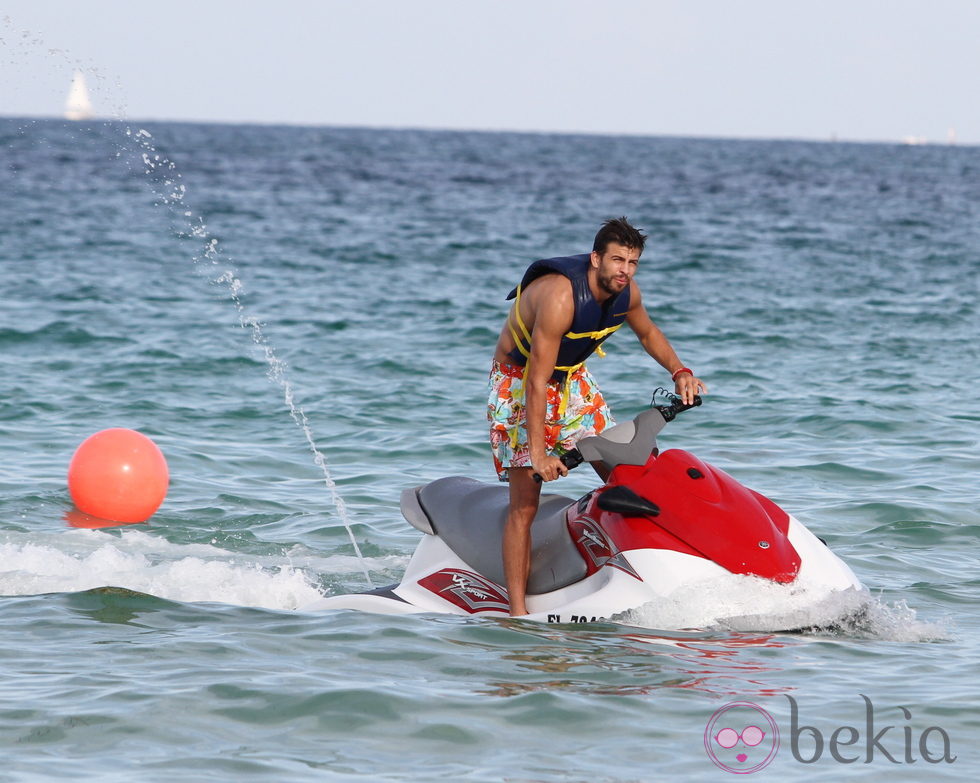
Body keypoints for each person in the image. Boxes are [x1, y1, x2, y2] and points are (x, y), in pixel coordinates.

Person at [487, 217, 707, 616]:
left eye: (633, 262)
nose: (625, 270)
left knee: (626, 469)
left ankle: (660, 568)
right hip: (519, 382)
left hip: (571, 378)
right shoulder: (559, 299)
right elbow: (536, 383)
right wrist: (539, 455)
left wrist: (681, 372)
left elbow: (648, 333)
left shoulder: (627, 294)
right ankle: (516, 613)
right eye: (618, 260)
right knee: (524, 502)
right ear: (595, 259)